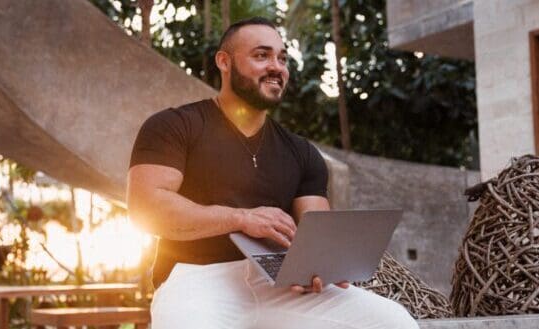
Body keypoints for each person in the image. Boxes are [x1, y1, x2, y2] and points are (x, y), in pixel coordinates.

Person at [127, 16, 418, 329]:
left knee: (392, 321)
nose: (277, 67)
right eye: (261, 55)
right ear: (224, 62)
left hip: (278, 281)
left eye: (282, 58)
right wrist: (242, 219)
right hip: (196, 277)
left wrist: (319, 267)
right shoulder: (173, 126)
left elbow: (314, 230)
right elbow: (146, 208)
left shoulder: (302, 152)